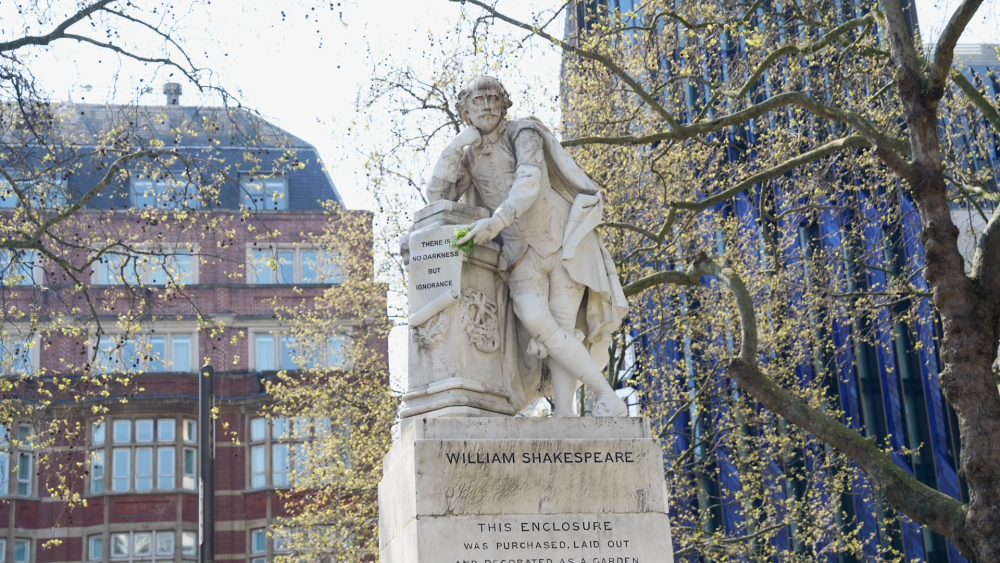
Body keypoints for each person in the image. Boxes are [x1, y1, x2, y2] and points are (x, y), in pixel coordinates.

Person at [426, 76, 629, 417]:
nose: (487, 106)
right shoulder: (468, 156)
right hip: (519, 256)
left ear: (504, 104)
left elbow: (529, 181)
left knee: (562, 328)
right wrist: (456, 145)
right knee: (537, 321)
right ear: (464, 112)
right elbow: (437, 199)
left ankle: (565, 414)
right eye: (478, 101)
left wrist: (496, 223)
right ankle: (606, 395)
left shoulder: (523, 131)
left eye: (493, 98)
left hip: (561, 241)